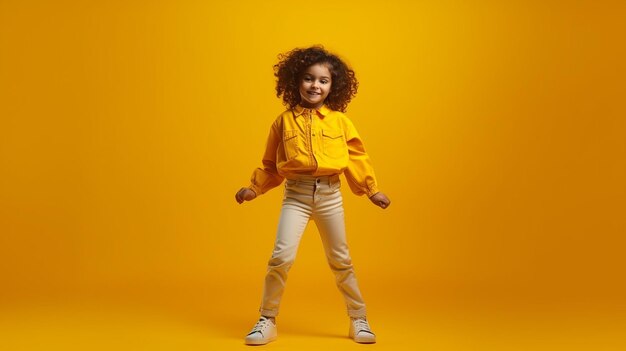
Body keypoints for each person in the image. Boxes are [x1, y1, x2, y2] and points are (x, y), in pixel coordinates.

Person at [235, 45, 391, 345]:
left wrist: (371, 190)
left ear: (334, 86)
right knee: (281, 257)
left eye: (323, 80)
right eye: (308, 78)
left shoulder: (341, 122)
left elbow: (356, 158)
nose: (315, 85)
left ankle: (358, 318)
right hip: (296, 195)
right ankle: (267, 319)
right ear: (295, 81)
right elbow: (271, 165)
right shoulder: (282, 122)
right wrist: (253, 188)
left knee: (341, 259)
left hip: (330, 195)